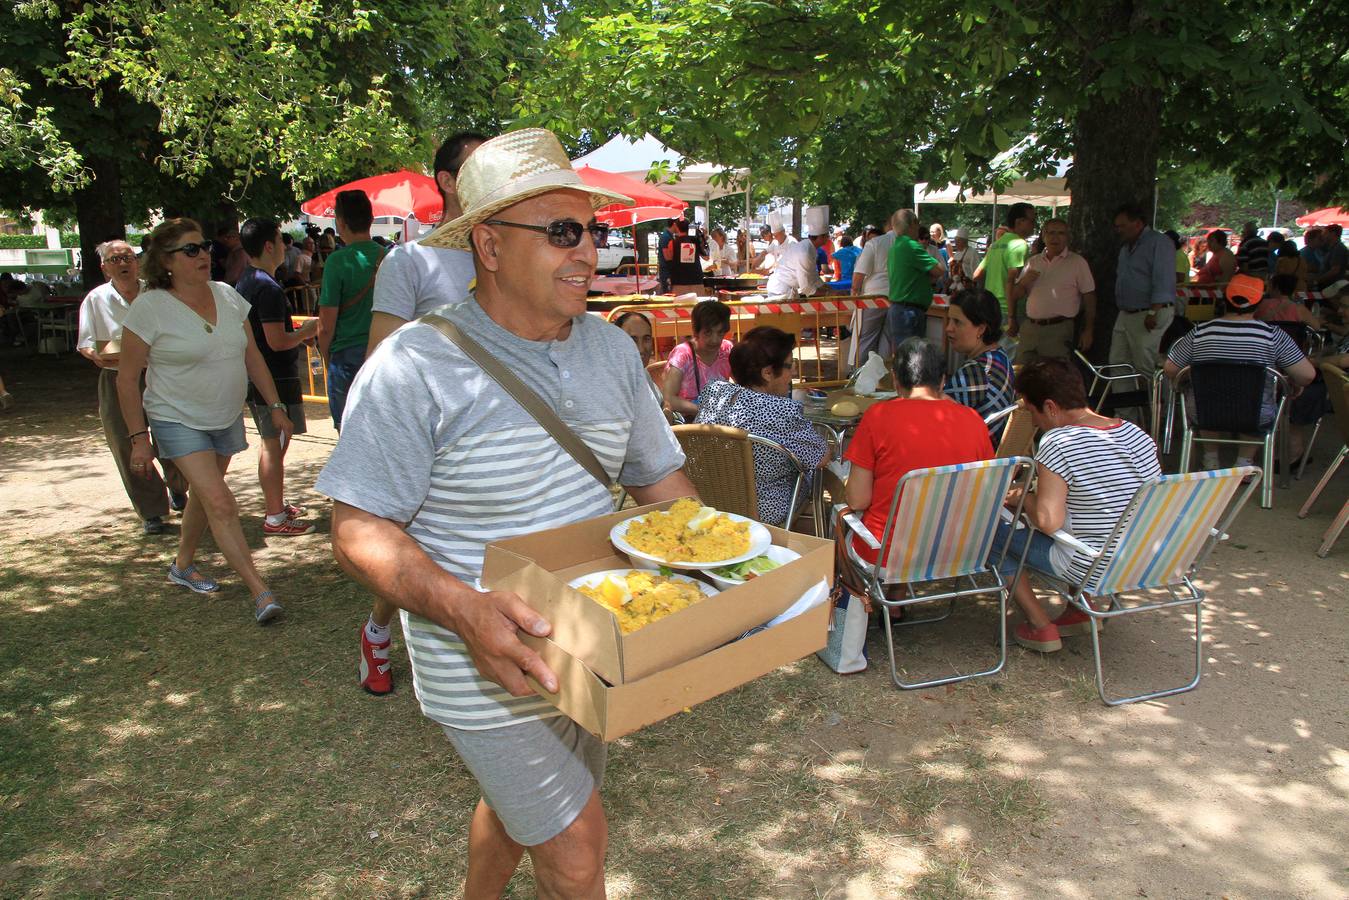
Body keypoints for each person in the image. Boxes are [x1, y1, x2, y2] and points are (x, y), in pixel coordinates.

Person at [316, 127, 694, 898]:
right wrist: (463, 610)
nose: (588, 252)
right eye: (561, 232)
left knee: (523, 805)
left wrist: (738, 573)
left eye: (592, 231)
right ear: (487, 246)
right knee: (576, 845)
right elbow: (357, 529)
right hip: (478, 657)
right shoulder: (413, 364)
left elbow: (662, 486)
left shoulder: (612, 352)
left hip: (586, 641)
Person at [117, 218, 294, 625]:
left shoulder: (228, 295)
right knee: (219, 500)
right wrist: (138, 438)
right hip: (175, 417)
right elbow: (127, 380)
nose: (203, 255)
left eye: (205, 247)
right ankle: (260, 590)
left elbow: (253, 357)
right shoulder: (150, 307)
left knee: (203, 495)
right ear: (166, 261)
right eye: (191, 250)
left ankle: (181, 565)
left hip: (224, 415)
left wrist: (276, 405)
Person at [989, 358, 1162, 653]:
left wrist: (1022, 498)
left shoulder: (1059, 441)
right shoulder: (1135, 434)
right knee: (1086, 516)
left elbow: (1047, 520)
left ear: (1051, 407)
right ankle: (1080, 610)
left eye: (1032, 412)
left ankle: (1040, 626)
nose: (1034, 422)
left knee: (990, 530)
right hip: (1144, 557)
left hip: (1093, 565)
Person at [844, 338, 994, 565]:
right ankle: (897, 596)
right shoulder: (973, 420)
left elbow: (857, 500)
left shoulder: (877, 416)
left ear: (895, 379)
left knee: (840, 526)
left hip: (886, 553)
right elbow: (987, 492)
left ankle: (871, 599)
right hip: (957, 553)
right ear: (943, 381)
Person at [76, 238, 187, 534]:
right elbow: (87, 344)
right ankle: (152, 511)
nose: (124, 263)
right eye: (115, 259)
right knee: (127, 444)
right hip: (116, 377)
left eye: (128, 257)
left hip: (160, 375)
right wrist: (100, 354)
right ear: (104, 268)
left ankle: (179, 487)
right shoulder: (96, 299)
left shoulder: (156, 293)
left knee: (173, 433)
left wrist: (134, 349)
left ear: (137, 262)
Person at [1163, 273, 1316, 470]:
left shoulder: (1199, 332)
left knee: (1207, 396)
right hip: (1255, 413)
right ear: (1259, 304)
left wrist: (1187, 380)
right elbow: (1307, 375)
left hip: (1204, 411)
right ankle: (1244, 464)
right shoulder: (1272, 335)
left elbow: (1170, 368)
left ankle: (1210, 460)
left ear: (1225, 300)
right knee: (1256, 398)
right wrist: (1291, 382)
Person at [693, 326, 829, 524]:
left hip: (710, 502)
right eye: (789, 366)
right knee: (816, 474)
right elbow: (821, 457)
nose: (793, 372)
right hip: (762, 510)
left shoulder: (714, 392)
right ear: (767, 373)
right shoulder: (781, 411)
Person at [237, 217, 318, 537]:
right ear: (268, 246)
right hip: (274, 378)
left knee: (274, 443)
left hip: (266, 376)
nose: (286, 246)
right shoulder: (265, 286)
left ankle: (277, 506)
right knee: (274, 443)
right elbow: (277, 340)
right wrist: (305, 331)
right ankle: (274, 516)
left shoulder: (247, 280)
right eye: (281, 241)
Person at [317, 189, 386, 430]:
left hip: (346, 356)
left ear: (340, 223)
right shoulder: (387, 257)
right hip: (382, 354)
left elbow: (326, 325)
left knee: (349, 434)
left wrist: (327, 358)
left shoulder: (337, 261)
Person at [1009, 218, 1097, 362]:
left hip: (1059, 330)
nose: (1055, 237)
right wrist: (1023, 282)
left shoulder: (1077, 262)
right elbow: (1015, 295)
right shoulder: (1033, 261)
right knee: (1023, 376)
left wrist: (1088, 330)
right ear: (1044, 236)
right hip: (1030, 328)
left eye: (1060, 233)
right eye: (1051, 233)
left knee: (1055, 376)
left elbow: (1090, 296)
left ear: (1067, 237)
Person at [1111, 202, 1178, 376]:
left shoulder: (1159, 242)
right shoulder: (1126, 248)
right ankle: (1125, 403)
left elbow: (1162, 280)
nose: (1119, 230)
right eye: (1117, 226)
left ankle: (1156, 402)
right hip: (1126, 313)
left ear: (1138, 223)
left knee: (1146, 365)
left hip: (1148, 313)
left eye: (1123, 226)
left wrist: (1152, 313)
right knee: (1117, 363)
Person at [943, 288, 1015, 432]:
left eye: (957, 322)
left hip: (978, 452)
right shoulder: (1000, 355)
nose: (948, 328)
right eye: (949, 320)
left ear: (981, 329)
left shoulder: (976, 371)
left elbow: (932, 416)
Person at [663, 298, 733, 417]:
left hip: (720, 420)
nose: (715, 340)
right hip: (688, 425)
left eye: (720, 333)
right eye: (708, 333)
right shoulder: (682, 354)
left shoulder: (727, 349)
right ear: (696, 331)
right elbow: (668, 398)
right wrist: (705, 410)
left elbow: (744, 385)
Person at [885, 209, 942, 348]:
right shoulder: (911, 246)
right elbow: (939, 270)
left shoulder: (895, 246)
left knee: (903, 356)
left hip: (900, 309)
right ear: (912, 224)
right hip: (909, 312)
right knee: (912, 358)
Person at [975, 202, 1036, 328]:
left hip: (990, 306)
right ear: (1019, 222)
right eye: (1032, 220)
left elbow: (977, 275)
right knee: (1011, 347)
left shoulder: (995, 245)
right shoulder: (1019, 244)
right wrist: (1012, 317)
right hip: (1008, 310)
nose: (1034, 225)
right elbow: (1011, 281)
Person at [848, 217, 896, 370]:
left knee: (866, 339)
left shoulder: (875, 243)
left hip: (872, 298)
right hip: (894, 297)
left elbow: (859, 274)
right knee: (887, 341)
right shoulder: (905, 243)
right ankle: (883, 379)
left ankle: (859, 376)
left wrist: (854, 293)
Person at [765, 206, 829, 299]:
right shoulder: (805, 251)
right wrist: (828, 293)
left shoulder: (809, 248)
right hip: (780, 291)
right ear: (820, 237)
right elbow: (806, 288)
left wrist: (829, 289)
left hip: (788, 290)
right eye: (827, 236)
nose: (828, 238)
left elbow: (814, 277)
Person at [1257, 271, 1321, 328]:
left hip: (1267, 340)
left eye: (1270, 287)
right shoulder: (1300, 309)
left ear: (1276, 288)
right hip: (1291, 340)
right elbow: (1317, 327)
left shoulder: (1261, 304)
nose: (1268, 290)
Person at [665, 218, 705, 294]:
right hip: (696, 279)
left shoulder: (672, 243)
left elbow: (669, 259)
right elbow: (706, 256)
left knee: (680, 305)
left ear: (676, 226)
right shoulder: (695, 241)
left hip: (679, 280)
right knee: (697, 304)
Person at [946, 227, 981, 294]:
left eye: (958, 240)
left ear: (965, 241)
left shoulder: (973, 253)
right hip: (956, 289)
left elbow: (977, 272)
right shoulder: (956, 254)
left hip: (968, 289)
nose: (956, 243)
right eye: (955, 240)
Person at [1314, 224, 1347, 290]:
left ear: (1333, 234)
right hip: (1329, 285)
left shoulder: (1338, 248)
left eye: (1325, 233)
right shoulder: (1332, 247)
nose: (1322, 235)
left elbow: (1335, 270)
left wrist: (1317, 280)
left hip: (1332, 287)